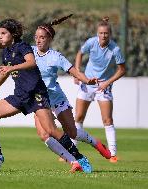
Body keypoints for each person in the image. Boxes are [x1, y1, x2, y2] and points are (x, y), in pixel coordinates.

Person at [0, 18, 92, 173]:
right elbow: (6, 70)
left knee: (51, 130)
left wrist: (11, 68)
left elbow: (31, 62)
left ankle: (80, 158)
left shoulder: (23, 46)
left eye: (3, 33)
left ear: (13, 34)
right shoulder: (6, 51)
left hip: (36, 95)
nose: (0, 36)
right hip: (20, 96)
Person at [31, 14, 111, 161]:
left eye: (42, 37)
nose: (38, 40)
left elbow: (74, 71)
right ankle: (74, 161)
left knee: (72, 132)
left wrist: (87, 80)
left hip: (55, 97)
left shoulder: (56, 57)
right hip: (40, 100)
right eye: (36, 37)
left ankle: (97, 144)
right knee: (44, 135)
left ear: (49, 39)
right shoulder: (30, 52)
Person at [74, 17, 126, 163]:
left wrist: (107, 83)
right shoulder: (91, 43)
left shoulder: (115, 49)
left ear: (110, 34)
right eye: (101, 33)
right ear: (97, 34)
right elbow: (80, 53)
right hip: (87, 84)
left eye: (106, 33)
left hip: (104, 87)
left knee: (107, 119)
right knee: (78, 117)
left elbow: (122, 70)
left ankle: (113, 153)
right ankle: (72, 150)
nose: (103, 36)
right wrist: (78, 72)